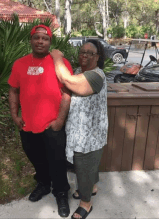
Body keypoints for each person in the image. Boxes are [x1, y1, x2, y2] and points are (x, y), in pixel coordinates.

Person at [8, 24, 73, 218]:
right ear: (31, 40)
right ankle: (44, 184)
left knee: (57, 161)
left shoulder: (59, 62)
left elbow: (67, 92)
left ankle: (61, 192)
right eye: (36, 37)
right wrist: (14, 115)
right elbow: (13, 90)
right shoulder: (19, 64)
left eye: (44, 39)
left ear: (49, 42)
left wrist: (60, 120)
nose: (40, 41)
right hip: (27, 125)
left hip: (52, 124)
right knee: (36, 158)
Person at [50, 39, 108, 219]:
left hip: (90, 134)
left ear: (97, 57)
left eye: (89, 53)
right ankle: (92, 187)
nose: (84, 55)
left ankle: (86, 203)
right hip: (78, 131)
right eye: (82, 51)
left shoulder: (96, 76)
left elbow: (65, 79)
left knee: (85, 167)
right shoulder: (78, 72)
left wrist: (57, 57)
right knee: (85, 165)